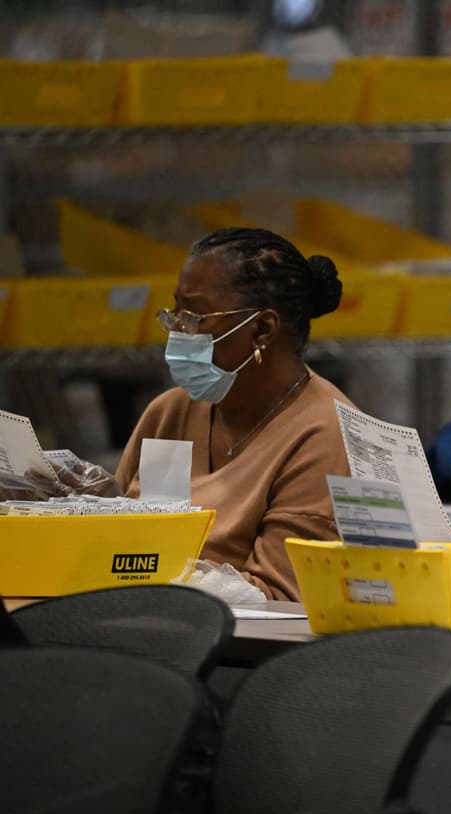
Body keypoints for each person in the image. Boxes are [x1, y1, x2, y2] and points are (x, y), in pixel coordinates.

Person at [115, 227, 356, 601]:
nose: (177, 330)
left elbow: (278, 598)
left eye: (195, 316)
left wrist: (145, 577)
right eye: (175, 312)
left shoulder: (326, 435)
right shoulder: (169, 414)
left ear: (261, 329)